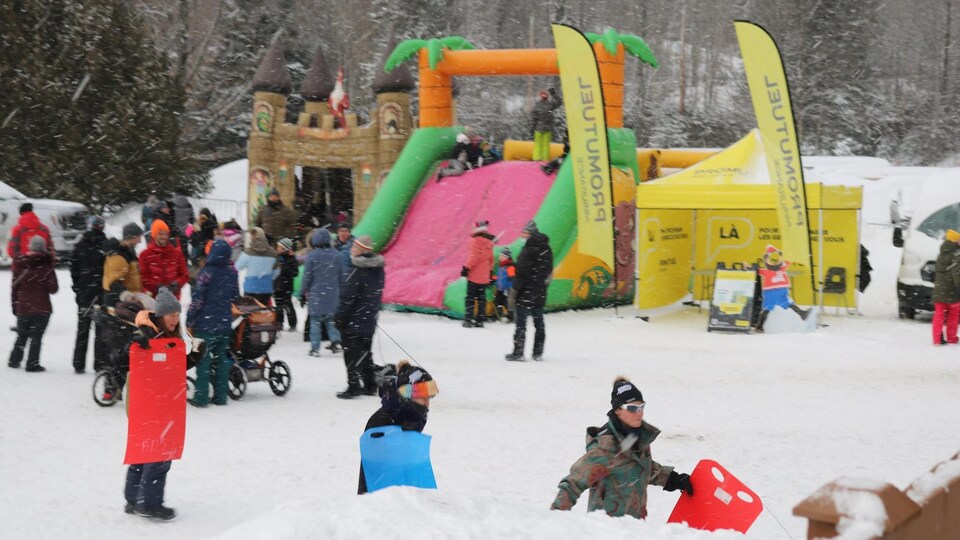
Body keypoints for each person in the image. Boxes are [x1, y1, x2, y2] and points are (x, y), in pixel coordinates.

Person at [550, 377, 694, 520]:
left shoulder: (637, 439)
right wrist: (554, 522)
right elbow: (572, 484)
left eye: (641, 406)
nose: (640, 413)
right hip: (607, 530)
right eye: (632, 408)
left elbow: (638, 467)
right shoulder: (604, 450)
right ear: (618, 410)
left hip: (633, 528)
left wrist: (671, 479)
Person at [124, 287, 194, 520]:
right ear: (160, 315)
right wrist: (136, 343)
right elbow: (124, 357)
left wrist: (193, 358)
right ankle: (150, 503)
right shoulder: (147, 333)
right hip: (147, 400)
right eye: (170, 315)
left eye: (177, 315)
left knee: (145, 449)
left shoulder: (169, 337)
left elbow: (170, 370)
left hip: (159, 400)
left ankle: (134, 499)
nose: (174, 319)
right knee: (159, 452)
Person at [357, 361, 439, 494]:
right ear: (407, 394)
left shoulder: (410, 416)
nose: (426, 401)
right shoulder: (382, 422)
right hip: (381, 498)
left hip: (405, 494)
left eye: (429, 394)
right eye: (421, 394)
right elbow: (376, 474)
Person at [186, 240, 240, 406]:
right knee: (221, 361)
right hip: (224, 324)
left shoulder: (206, 272)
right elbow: (235, 297)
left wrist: (190, 319)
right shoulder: (232, 272)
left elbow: (197, 300)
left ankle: (201, 398)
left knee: (203, 362)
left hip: (205, 325)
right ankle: (220, 396)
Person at [334, 234, 385, 399]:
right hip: (368, 318)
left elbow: (348, 298)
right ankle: (370, 385)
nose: (351, 250)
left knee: (350, 354)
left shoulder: (356, 270)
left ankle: (353, 386)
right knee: (365, 353)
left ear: (362, 251)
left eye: (354, 247)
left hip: (353, 320)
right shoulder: (378, 270)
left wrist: (340, 317)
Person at [8, 236, 58, 372]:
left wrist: (15, 306)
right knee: (36, 338)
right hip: (42, 309)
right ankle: (32, 363)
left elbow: (14, 288)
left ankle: (14, 360)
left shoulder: (20, 264)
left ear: (30, 247)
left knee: (21, 335)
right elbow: (54, 289)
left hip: (23, 307)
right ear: (43, 248)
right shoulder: (47, 266)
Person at [506, 221, 553, 362]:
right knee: (539, 324)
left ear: (530, 234)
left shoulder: (527, 250)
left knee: (521, 324)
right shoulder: (546, 249)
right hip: (539, 292)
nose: (522, 237)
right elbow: (548, 271)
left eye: (524, 234)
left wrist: (515, 289)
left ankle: (518, 352)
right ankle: (537, 352)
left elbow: (522, 273)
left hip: (525, 293)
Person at [70, 216, 108, 373]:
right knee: (100, 332)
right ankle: (99, 363)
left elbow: (74, 269)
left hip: (85, 293)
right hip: (100, 293)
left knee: (83, 329)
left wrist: (78, 287)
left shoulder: (80, 245)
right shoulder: (107, 246)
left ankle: (79, 363)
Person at [302, 229, 343, 356]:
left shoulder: (312, 256)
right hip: (333, 294)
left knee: (315, 321)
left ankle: (315, 348)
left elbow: (307, 276)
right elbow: (341, 276)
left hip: (317, 294)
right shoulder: (338, 255)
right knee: (331, 320)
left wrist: (302, 292)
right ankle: (336, 341)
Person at [753, 245, 810, 333]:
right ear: (766, 259)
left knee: (787, 304)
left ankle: (802, 314)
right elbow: (756, 270)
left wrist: (780, 254)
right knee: (768, 309)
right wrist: (749, 267)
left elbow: (788, 261)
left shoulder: (782, 268)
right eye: (769, 259)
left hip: (781, 293)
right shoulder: (766, 271)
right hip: (771, 293)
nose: (773, 262)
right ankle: (759, 325)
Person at [138, 220, 189, 299]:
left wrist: (177, 284)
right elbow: (143, 278)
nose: (164, 237)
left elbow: (184, 275)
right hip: (153, 300)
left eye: (166, 234)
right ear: (154, 235)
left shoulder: (177, 253)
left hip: (173, 299)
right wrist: (156, 286)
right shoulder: (145, 255)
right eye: (160, 234)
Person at [461, 220, 495, 328]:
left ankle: (468, 320)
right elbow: (491, 259)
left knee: (470, 298)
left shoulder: (475, 240)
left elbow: (474, 257)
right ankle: (480, 321)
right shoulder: (489, 241)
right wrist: (489, 271)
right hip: (484, 275)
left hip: (475, 275)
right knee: (481, 299)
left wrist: (466, 268)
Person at [103, 223, 145, 307]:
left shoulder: (129, 253)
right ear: (132, 237)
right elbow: (114, 282)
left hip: (131, 301)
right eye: (139, 237)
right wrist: (127, 295)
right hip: (120, 303)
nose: (140, 241)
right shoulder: (119, 256)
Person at [235, 227, 278, 307]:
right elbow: (277, 270)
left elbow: (238, 266)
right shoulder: (273, 253)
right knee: (264, 311)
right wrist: (268, 278)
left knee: (250, 313)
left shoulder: (248, 252)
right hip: (266, 288)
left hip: (251, 287)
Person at [932, 229, 960, 345]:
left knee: (939, 314)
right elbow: (957, 273)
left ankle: (937, 339)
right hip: (951, 291)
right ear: (955, 241)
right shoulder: (956, 254)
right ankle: (951, 337)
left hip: (939, 290)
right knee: (954, 314)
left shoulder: (942, 253)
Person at [6, 202, 52, 270]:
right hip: (42, 268)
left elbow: (11, 251)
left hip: (22, 268)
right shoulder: (45, 229)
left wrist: (20, 260)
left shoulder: (17, 229)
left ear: (21, 213)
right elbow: (50, 250)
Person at [274, 237, 300, 332]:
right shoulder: (277, 257)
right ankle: (279, 323)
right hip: (277, 286)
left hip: (286, 286)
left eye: (279, 247)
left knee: (288, 305)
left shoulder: (291, 258)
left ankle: (292, 323)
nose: (277, 249)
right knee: (278, 306)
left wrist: (285, 268)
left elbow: (295, 272)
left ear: (285, 248)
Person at [531, 88, 560, 161]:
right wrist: (553, 94)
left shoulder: (538, 105)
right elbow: (559, 102)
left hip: (540, 128)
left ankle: (537, 160)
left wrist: (532, 128)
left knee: (538, 145)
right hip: (546, 129)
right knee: (545, 146)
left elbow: (534, 117)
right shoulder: (550, 104)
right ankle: (543, 161)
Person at [493, 247, 516, 323]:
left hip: (507, 289)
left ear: (507, 257)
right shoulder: (501, 265)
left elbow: (512, 278)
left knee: (508, 303)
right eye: (500, 255)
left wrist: (510, 281)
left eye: (502, 256)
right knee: (497, 302)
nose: (500, 257)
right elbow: (500, 277)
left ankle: (511, 317)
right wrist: (493, 278)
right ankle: (499, 316)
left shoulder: (510, 266)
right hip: (500, 288)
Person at [171, 190, 194, 262]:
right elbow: (191, 219)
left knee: (174, 250)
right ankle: (184, 266)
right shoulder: (189, 205)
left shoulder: (172, 204)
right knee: (184, 250)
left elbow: (171, 218)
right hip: (185, 231)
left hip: (175, 231)